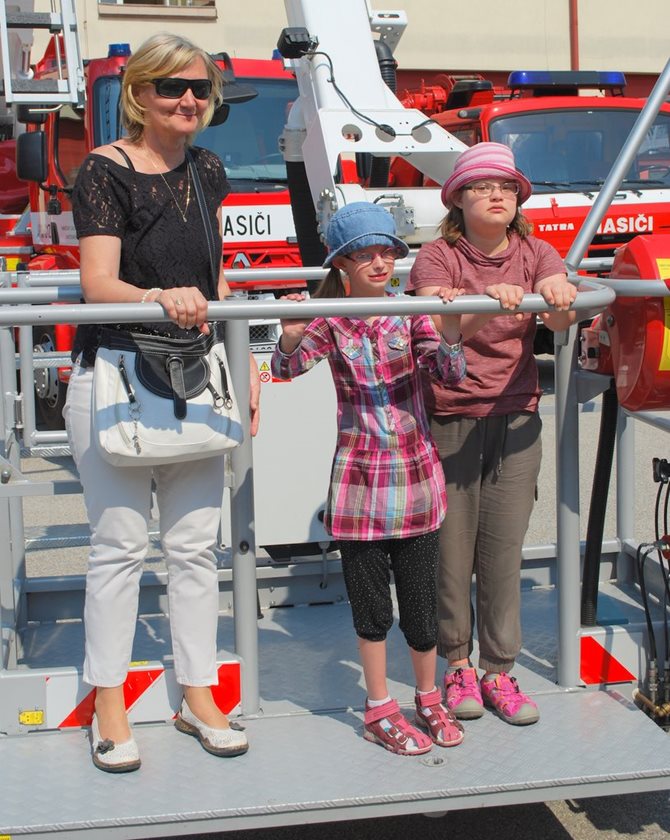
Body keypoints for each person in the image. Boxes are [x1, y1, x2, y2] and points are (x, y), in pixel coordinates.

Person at [64, 33, 260, 772]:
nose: (188, 100)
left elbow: (218, 279)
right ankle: (109, 702)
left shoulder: (208, 170)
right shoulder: (104, 170)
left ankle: (197, 694)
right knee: (118, 547)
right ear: (139, 94)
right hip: (116, 373)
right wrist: (159, 296)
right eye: (172, 87)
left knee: (194, 548)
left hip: (196, 374)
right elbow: (97, 283)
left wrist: (247, 361)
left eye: (200, 89)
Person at [271, 202, 467, 755]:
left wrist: (452, 326)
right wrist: (289, 335)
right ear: (341, 264)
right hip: (358, 484)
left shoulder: (410, 312)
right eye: (365, 255)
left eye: (387, 252)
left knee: (422, 605)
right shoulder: (331, 319)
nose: (380, 263)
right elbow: (286, 369)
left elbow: (449, 371)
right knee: (371, 606)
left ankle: (428, 697)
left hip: (416, 478)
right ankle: (379, 705)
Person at [409, 142, 577, 726]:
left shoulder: (536, 251)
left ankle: (498, 670)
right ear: (458, 199)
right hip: (450, 416)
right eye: (482, 187)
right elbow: (439, 328)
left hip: (516, 415)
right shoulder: (438, 255)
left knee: (504, 550)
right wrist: (487, 302)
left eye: (506, 187)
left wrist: (558, 300)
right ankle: (457, 663)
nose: (497, 195)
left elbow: (559, 315)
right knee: (451, 552)